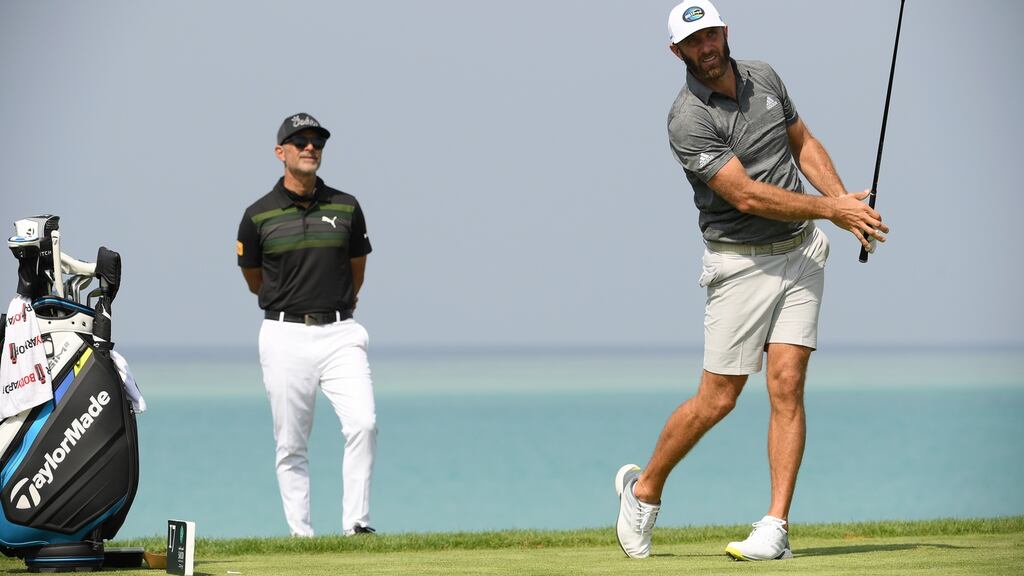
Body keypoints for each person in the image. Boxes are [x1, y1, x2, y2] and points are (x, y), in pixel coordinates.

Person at [615, 1, 889, 561]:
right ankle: (644, 491)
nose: (706, 47)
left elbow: (803, 142)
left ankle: (775, 528)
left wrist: (842, 205)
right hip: (740, 262)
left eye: (711, 34)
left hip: (801, 253)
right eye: (694, 42)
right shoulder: (687, 118)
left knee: (787, 382)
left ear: (725, 32)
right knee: (719, 398)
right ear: (677, 52)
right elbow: (744, 194)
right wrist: (830, 211)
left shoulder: (765, 75)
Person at [237, 112, 377, 537]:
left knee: (364, 423)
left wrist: (334, 305)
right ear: (281, 153)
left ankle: (357, 525)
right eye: (300, 142)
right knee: (291, 444)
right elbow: (254, 278)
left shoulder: (347, 206)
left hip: (340, 332)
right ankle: (302, 537)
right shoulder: (257, 215)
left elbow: (357, 268)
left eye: (317, 141)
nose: (310, 147)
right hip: (283, 334)